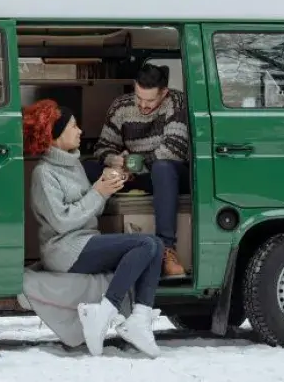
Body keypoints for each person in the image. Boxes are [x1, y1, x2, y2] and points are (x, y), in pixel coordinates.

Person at [23, 98, 164, 357]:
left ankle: (139, 320)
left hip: (85, 241)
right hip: (64, 249)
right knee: (145, 243)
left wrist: (105, 185)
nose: (80, 131)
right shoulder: (44, 174)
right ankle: (105, 310)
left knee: (156, 244)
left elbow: (92, 208)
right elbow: (62, 221)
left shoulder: (73, 163)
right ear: (54, 135)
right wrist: (97, 192)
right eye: (74, 127)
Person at [89, 63, 191, 277]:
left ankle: (166, 251)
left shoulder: (177, 101)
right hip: (133, 173)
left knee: (163, 168)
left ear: (164, 93)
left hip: (168, 174)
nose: (143, 105)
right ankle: (87, 243)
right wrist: (115, 160)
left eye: (150, 100)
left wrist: (133, 165)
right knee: (87, 169)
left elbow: (174, 149)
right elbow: (102, 147)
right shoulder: (121, 106)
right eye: (139, 98)